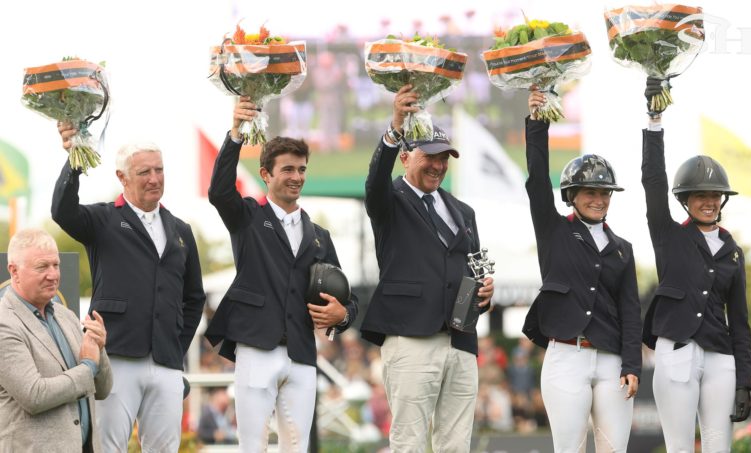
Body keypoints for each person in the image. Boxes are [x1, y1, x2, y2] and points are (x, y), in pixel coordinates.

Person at [204, 96, 358, 453]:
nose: (296, 177)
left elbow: (346, 297)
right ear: (266, 174)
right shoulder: (247, 218)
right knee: (252, 447)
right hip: (256, 348)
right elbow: (219, 191)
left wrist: (343, 315)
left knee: (297, 448)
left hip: (303, 354)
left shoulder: (320, 236)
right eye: (288, 169)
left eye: (302, 169)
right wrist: (236, 133)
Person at [52, 124, 206, 451]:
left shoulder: (181, 230)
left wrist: (176, 344)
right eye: (144, 172)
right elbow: (62, 211)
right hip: (115, 356)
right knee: (108, 446)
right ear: (122, 178)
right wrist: (74, 159)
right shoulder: (103, 220)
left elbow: (194, 298)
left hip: (166, 360)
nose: (154, 178)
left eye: (159, 170)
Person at [360, 84, 495, 453]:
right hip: (411, 337)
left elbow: (477, 268)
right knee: (410, 441)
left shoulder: (463, 212)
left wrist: (486, 292)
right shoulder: (388, 200)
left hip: (461, 340)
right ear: (405, 157)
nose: (437, 165)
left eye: (444, 158)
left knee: (456, 443)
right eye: (429, 156)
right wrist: (394, 129)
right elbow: (373, 182)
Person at [521, 87, 642, 452]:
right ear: (572, 194)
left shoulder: (623, 249)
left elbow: (631, 311)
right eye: (589, 191)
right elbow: (537, 180)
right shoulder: (554, 229)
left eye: (605, 193)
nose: (598, 199)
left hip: (611, 361)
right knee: (569, 448)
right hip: (566, 356)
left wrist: (632, 363)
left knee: (613, 449)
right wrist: (537, 123)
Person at [640, 77, 751, 452]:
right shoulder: (668, 234)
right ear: (686, 200)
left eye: (715, 196)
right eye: (700, 196)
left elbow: (739, 321)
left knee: (719, 446)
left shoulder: (732, 250)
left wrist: (745, 382)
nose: (709, 202)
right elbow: (653, 181)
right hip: (677, 352)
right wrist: (654, 122)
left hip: (721, 357)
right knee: (679, 446)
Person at [0, 228, 112, 452]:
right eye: (42, 266)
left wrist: (99, 349)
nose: (53, 275)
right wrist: (89, 366)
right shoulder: (4, 323)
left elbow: (102, 390)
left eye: (56, 265)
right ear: (14, 271)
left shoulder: (66, 316)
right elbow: (34, 395)